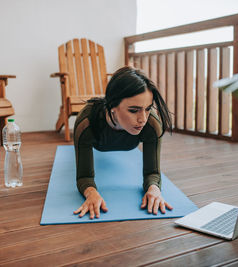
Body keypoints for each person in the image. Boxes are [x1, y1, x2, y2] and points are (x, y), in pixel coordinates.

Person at [73, 66, 173, 219]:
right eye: (134, 110)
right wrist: (91, 193)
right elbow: (83, 176)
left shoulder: (152, 124)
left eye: (147, 108)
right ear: (112, 106)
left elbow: (152, 172)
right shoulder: (86, 122)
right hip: (98, 144)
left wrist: (154, 189)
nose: (143, 119)